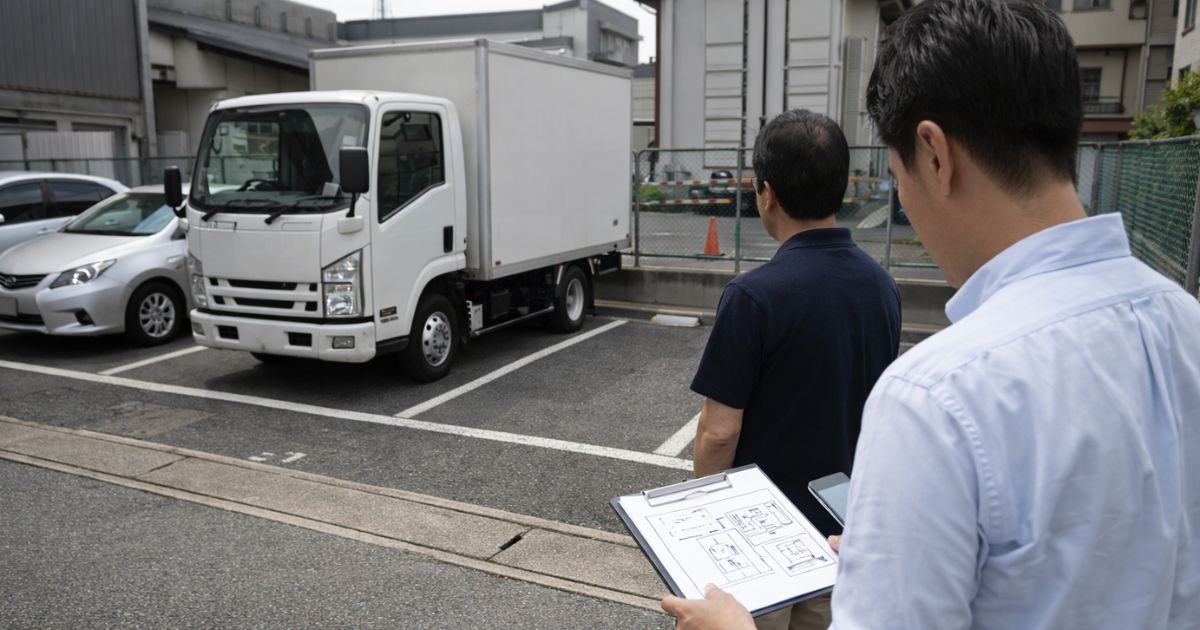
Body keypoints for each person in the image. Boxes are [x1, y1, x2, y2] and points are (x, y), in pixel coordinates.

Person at [663, 0, 1200, 628]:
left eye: (898, 175)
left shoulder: (939, 396)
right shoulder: (1184, 322)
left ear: (935, 155)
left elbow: (718, 430)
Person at [688, 109, 901, 629]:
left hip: (762, 541)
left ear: (767, 193)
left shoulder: (754, 296)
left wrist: (697, 518)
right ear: (843, 188)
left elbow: (719, 432)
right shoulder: (882, 287)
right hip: (843, 533)